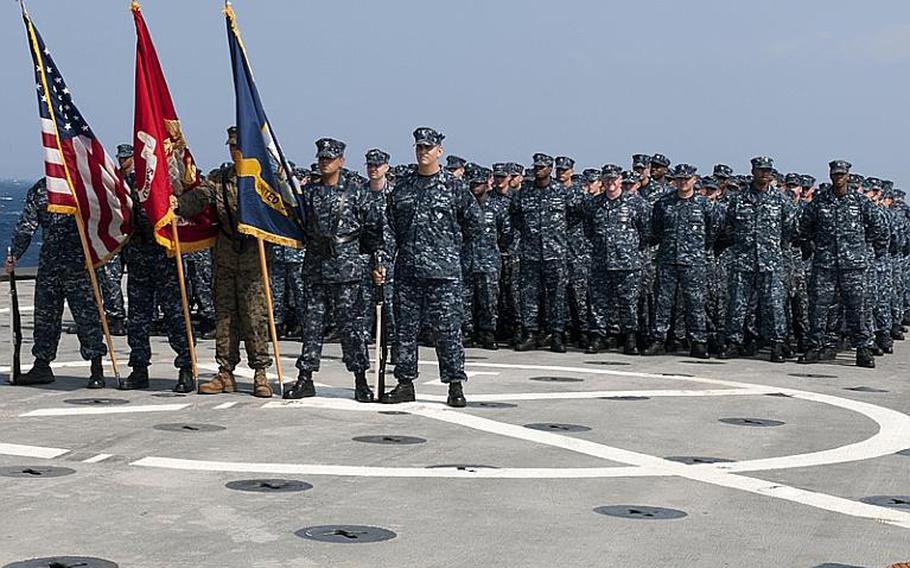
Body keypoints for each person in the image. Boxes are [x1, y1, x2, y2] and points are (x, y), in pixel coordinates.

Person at [377, 127, 482, 408]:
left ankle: (455, 384)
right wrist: (383, 260)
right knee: (405, 331)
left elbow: (475, 223)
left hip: (444, 274)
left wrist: (450, 248)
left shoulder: (454, 187)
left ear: (439, 150)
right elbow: (390, 229)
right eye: (419, 147)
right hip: (408, 272)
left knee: (447, 330)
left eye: (428, 147)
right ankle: (405, 383)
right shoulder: (403, 188)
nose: (423, 152)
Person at [172, 126, 273, 397]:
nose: (234, 150)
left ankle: (260, 373)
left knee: (254, 316)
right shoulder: (220, 179)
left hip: (255, 256)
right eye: (230, 146)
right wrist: (177, 204)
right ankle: (225, 372)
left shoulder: (262, 180)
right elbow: (199, 198)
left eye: (238, 146)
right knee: (225, 315)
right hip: (226, 255)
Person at [283, 138, 383, 402]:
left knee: (351, 327)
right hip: (316, 267)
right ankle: (305, 378)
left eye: (330, 158)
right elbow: (301, 225)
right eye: (322, 158)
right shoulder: (311, 193)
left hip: (346, 268)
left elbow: (373, 230)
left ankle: (360, 379)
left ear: (341, 161)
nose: (325, 162)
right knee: (312, 326)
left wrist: (377, 263)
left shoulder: (356, 191)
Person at [6, 178, 106, 387]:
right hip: (50, 265)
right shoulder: (42, 189)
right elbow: (27, 224)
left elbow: (102, 219)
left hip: (80, 265)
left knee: (87, 317)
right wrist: (15, 254)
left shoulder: (84, 185)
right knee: (45, 317)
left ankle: (96, 367)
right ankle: (42, 365)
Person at [117, 143, 195, 392]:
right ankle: (139, 368)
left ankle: (185, 369)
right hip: (138, 257)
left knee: (175, 316)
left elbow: (188, 203)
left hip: (164, 255)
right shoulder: (127, 184)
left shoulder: (166, 183)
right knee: (138, 318)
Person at [798, 160, 887, 368]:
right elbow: (803, 226)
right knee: (819, 308)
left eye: (842, 174)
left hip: (853, 266)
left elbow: (879, 227)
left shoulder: (860, 202)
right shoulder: (820, 202)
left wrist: (863, 248)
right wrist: (814, 245)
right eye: (835, 174)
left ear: (848, 176)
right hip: (825, 265)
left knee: (857, 309)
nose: (838, 178)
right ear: (830, 176)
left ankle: (863, 349)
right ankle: (815, 346)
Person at [719, 156, 798, 362]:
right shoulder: (738, 199)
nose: (764, 173)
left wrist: (774, 248)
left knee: (773, 305)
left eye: (767, 170)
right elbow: (728, 228)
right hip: (743, 260)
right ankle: (733, 342)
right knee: (737, 303)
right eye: (760, 170)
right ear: (753, 171)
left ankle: (777, 343)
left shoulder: (781, 201)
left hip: (770, 261)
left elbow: (789, 230)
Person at [511, 153, 586, 352]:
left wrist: (557, 233)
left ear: (550, 168)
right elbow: (515, 215)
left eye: (542, 167)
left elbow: (576, 215)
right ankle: (530, 333)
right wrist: (529, 233)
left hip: (556, 252)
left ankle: (557, 335)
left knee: (557, 296)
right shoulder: (525, 192)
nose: (538, 169)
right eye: (536, 166)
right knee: (529, 295)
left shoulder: (562, 192)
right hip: (531, 253)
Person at [643, 164, 717, 358]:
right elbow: (656, 229)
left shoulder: (704, 204)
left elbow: (712, 231)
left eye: (687, 178)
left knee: (695, 302)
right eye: (680, 179)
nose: (683, 182)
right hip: (668, 259)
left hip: (694, 261)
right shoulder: (664, 203)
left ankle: (698, 342)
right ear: (674, 181)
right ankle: (659, 339)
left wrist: (698, 250)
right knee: (662, 302)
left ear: (695, 180)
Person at [584, 165, 650, 354]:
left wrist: (630, 249)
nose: (611, 183)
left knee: (628, 302)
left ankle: (630, 338)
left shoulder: (636, 203)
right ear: (602, 182)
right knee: (598, 302)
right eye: (607, 179)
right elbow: (589, 230)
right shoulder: (593, 204)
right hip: (600, 261)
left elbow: (646, 231)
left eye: (614, 179)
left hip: (627, 262)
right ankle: (598, 337)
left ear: (620, 180)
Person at [461, 163, 512, 350]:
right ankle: (467, 331)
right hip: (466, 259)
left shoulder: (496, 207)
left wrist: (495, 249)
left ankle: (487, 333)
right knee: (465, 299)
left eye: (479, 184)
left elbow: (506, 232)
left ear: (486, 184)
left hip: (489, 260)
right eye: (472, 184)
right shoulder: (463, 206)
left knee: (489, 300)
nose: (475, 187)